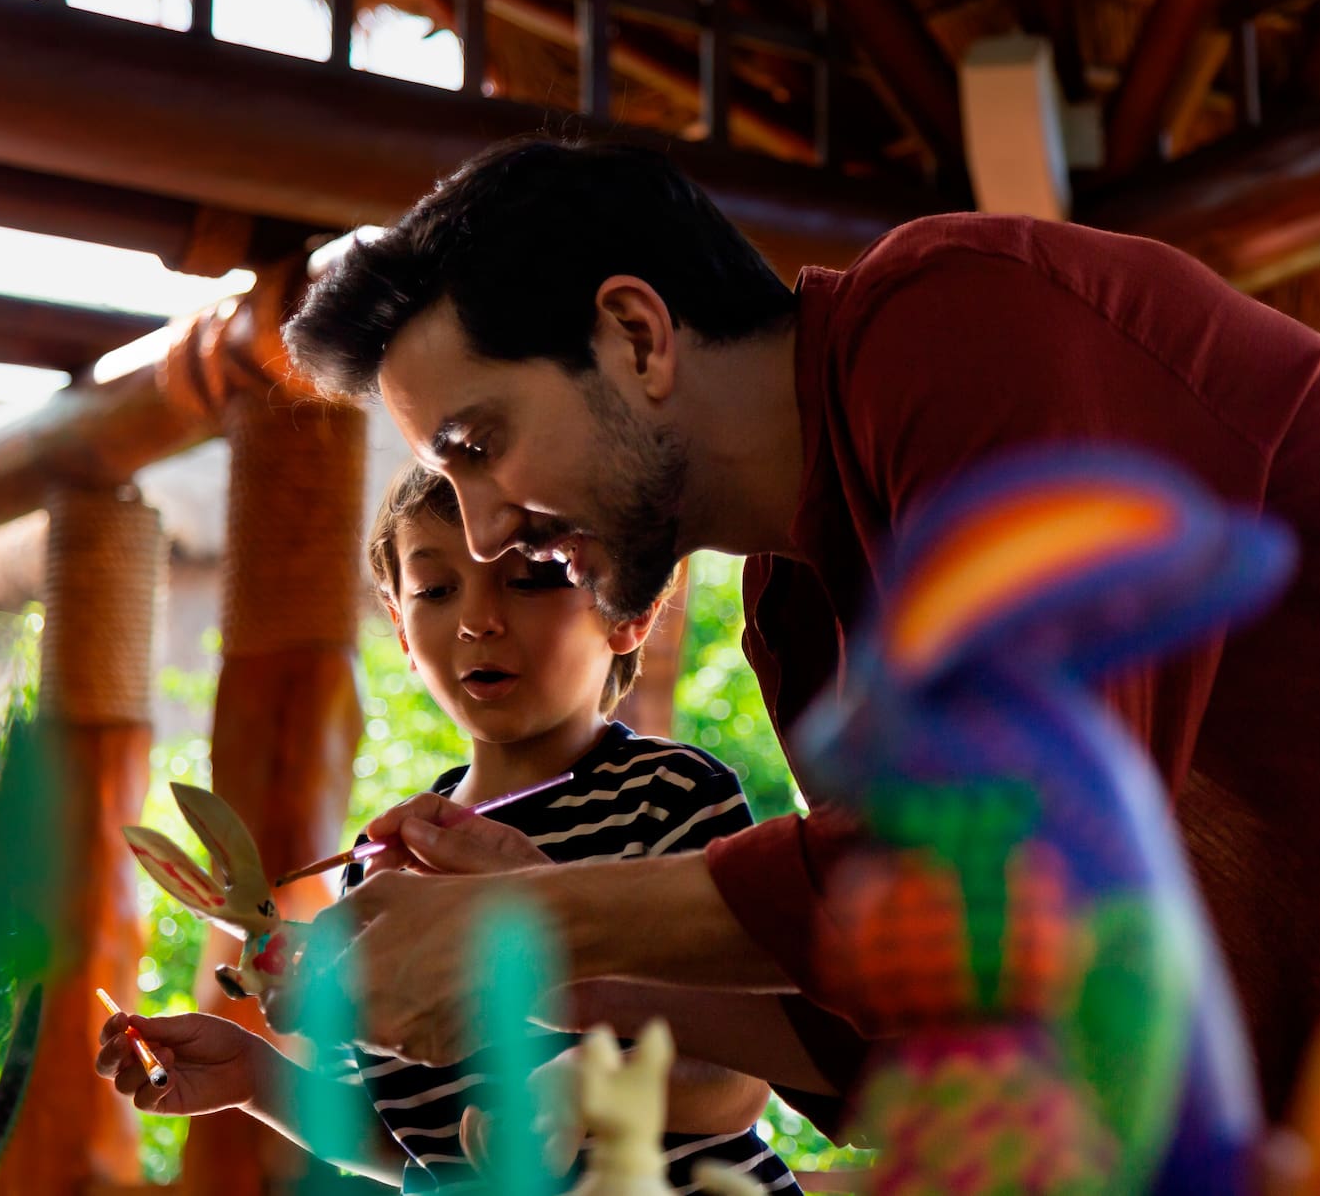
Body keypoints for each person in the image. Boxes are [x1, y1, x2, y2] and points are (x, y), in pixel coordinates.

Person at [275, 137, 1320, 1194]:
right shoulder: (808, 618)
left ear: (636, 333)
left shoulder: (965, 326)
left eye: (479, 446)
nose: (491, 531)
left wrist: (539, 915)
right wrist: (556, 965)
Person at [97, 460, 796, 1193]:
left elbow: (739, 1078)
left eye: (527, 579)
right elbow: (414, 1146)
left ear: (630, 611)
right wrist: (251, 1073)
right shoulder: (380, 865)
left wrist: (586, 1085)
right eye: (435, 589)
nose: (477, 619)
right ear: (400, 625)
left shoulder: (669, 794)